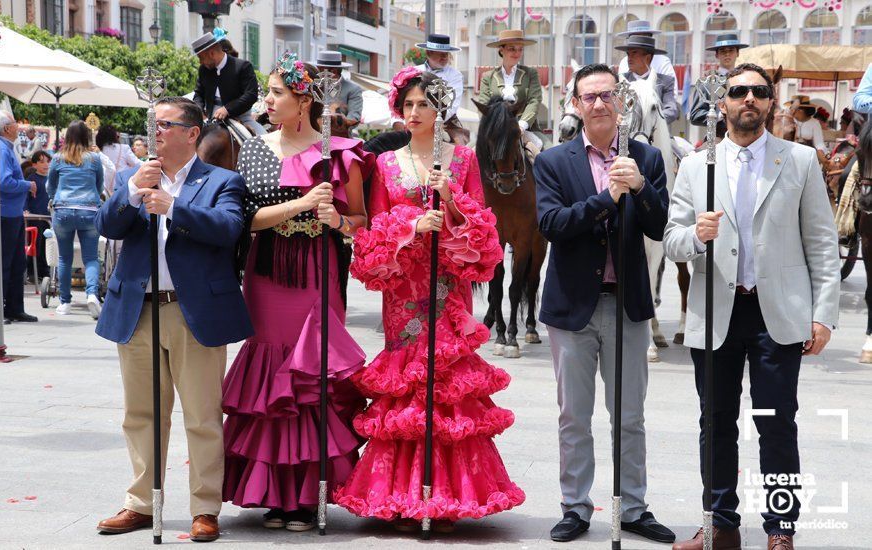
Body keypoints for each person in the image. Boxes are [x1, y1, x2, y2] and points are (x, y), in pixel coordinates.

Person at [334, 66, 524, 531]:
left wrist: (452, 203)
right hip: (404, 286)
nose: (415, 112)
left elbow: (484, 226)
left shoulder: (462, 160)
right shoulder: (385, 163)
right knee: (407, 380)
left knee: (447, 379)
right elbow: (374, 229)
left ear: (440, 110)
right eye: (409, 104)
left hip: (448, 286)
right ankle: (402, 495)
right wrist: (412, 224)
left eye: (424, 104)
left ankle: (447, 494)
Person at [664, 63, 840, 550]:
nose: (748, 99)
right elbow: (672, 238)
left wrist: (823, 314)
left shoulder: (800, 161)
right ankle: (719, 523)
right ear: (723, 104)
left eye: (758, 92)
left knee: (776, 423)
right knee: (714, 423)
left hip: (776, 316)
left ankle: (780, 528)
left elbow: (822, 244)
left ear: (771, 102)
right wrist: (696, 237)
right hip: (716, 312)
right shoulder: (698, 165)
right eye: (738, 91)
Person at [220, 53, 371, 532]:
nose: (266, 100)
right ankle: (274, 493)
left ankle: (307, 494)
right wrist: (302, 204)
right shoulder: (255, 149)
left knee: (310, 371)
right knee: (269, 373)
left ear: (303, 101)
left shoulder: (340, 153)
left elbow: (362, 221)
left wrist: (339, 220)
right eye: (267, 91)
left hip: (317, 269)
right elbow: (246, 219)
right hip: (265, 273)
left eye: (276, 93)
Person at [94, 97, 252, 542]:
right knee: (140, 413)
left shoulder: (222, 180)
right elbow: (107, 226)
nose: (155, 132)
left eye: (164, 124)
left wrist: (174, 207)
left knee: (202, 415)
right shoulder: (131, 177)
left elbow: (227, 229)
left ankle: (205, 507)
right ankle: (142, 502)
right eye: (152, 125)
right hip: (137, 309)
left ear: (191, 133)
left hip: (192, 310)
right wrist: (130, 194)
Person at [533, 63, 675, 544]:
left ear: (622, 102)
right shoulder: (553, 161)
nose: (598, 103)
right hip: (572, 308)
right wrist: (605, 198)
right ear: (575, 104)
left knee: (629, 416)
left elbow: (660, 226)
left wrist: (640, 187)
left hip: (627, 304)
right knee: (574, 415)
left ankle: (633, 506)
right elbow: (552, 225)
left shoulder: (647, 157)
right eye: (588, 96)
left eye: (606, 95)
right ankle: (576, 507)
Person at [46, 121, 104, 319]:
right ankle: (91, 294)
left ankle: (65, 302)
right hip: (89, 210)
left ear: (67, 136)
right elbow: (99, 185)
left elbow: (50, 185)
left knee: (64, 258)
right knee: (90, 258)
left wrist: (55, 198)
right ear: (87, 136)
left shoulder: (57, 158)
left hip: (63, 210)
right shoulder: (94, 159)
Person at [478, 29, 550, 157]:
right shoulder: (487, 77)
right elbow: (484, 104)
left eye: (520, 49)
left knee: (551, 152)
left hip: (525, 128)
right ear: (501, 49)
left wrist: (521, 126)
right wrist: (495, 125)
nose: (517, 53)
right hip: (495, 129)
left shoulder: (530, 73)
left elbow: (535, 100)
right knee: (470, 152)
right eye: (512, 49)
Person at [391, 34, 469, 145]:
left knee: (460, 146)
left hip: (445, 121)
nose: (445, 58)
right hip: (412, 116)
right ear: (429, 53)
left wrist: (432, 121)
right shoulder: (413, 71)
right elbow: (399, 99)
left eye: (446, 54)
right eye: (441, 54)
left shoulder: (455, 75)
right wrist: (398, 121)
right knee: (392, 141)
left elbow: (451, 105)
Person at [0, 110, 38, 323]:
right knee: (4, 262)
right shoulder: (1, 149)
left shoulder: (6, 148)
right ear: (6, 128)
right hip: (5, 215)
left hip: (12, 214)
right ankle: (0, 309)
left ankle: (14, 307)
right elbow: (3, 182)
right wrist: (27, 184)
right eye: (15, 123)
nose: (18, 127)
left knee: (16, 262)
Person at [192, 28, 265, 135]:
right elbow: (198, 94)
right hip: (210, 118)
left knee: (265, 141)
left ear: (211, 54)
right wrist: (199, 112)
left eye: (201, 58)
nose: (200, 62)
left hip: (241, 117)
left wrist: (227, 109)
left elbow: (251, 94)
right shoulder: (203, 70)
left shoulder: (243, 66)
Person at [689, 33, 749, 127]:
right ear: (717, 54)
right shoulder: (706, 82)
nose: (727, 54)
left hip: (745, 135)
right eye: (723, 51)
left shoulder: (746, 80)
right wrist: (720, 116)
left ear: (737, 53)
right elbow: (695, 115)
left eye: (731, 50)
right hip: (718, 136)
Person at [618, 35, 680, 125]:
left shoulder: (665, 81)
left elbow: (671, 110)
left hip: (655, 135)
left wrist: (651, 122)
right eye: (628, 54)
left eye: (634, 53)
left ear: (647, 58)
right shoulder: (620, 80)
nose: (629, 58)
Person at [616, 20, 678, 85]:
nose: (636, 41)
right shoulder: (624, 62)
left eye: (640, 38)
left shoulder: (663, 62)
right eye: (633, 38)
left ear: (649, 37)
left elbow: (672, 90)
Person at [313, 50, 364, 129]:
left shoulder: (353, 89)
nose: (316, 73)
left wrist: (336, 117)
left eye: (319, 70)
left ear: (333, 71)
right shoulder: (314, 85)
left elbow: (353, 119)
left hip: (340, 138)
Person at [24, 150, 52, 282]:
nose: (46, 164)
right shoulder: (31, 180)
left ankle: (46, 271)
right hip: (35, 217)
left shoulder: (52, 179)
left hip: (49, 218)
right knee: (36, 244)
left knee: (48, 245)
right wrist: (26, 209)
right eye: (41, 162)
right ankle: (32, 272)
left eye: (47, 161)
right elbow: (25, 197)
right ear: (34, 165)